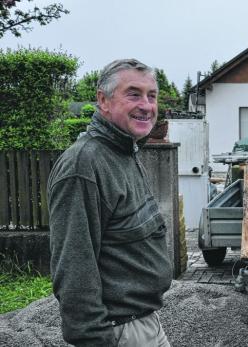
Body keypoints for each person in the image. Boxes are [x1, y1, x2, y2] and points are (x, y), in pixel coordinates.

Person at [48, 59, 172, 346]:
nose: (146, 105)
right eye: (133, 94)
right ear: (103, 100)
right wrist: (95, 339)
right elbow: (74, 267)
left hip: (144, 322)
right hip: (119, 332)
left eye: (151, 96)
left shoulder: (123, 151)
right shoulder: (84, 166)